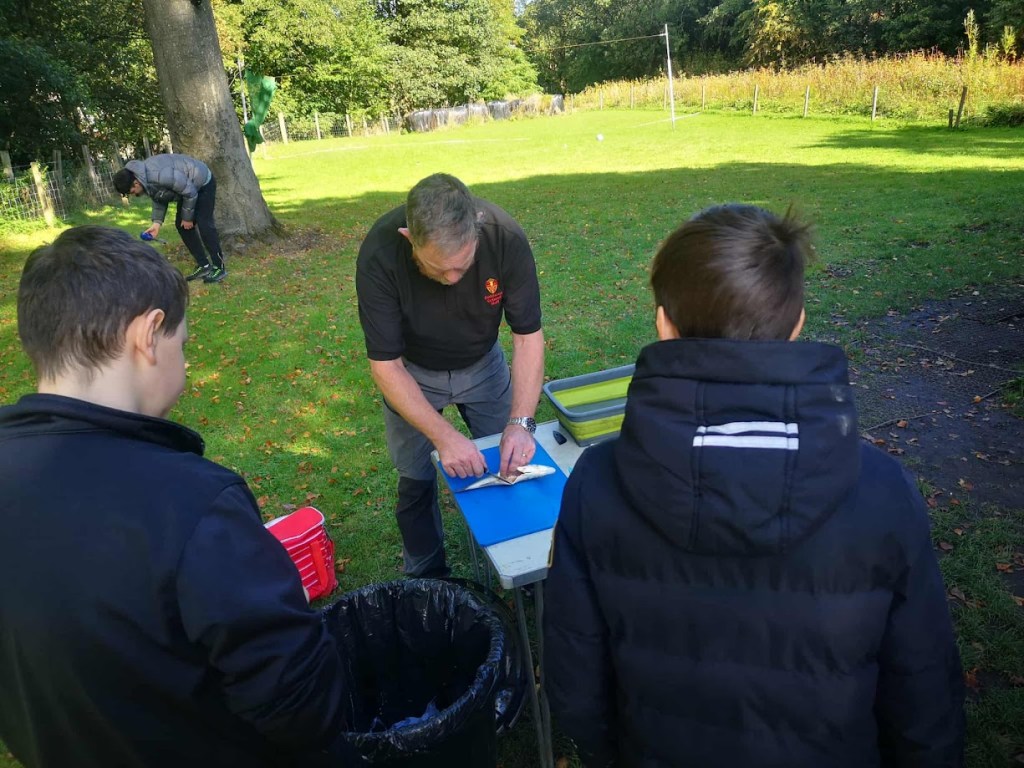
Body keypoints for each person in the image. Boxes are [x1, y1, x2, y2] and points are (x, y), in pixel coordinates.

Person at [544, 205, 965, 767]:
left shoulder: (593, 483)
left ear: (663, 323)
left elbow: (575, 690)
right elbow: (925, 690)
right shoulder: (885, 492)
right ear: (797, 324)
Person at [0, 226, 349, 767]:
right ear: (149, 334)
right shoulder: (193, 505)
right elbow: (304, 709)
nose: (184, 366)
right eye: (183, 346)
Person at [356, 173, 544, 578]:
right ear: (409, 237)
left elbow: (528, 338)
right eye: (437, 269)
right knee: (416, 478)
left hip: (484, 364)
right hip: (412, 373)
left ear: (477, 227)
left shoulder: (504, 237)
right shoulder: (379, 253)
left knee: (514, 460)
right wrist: (444, 436)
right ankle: (426, 577)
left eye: (462, 266)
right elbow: (386, 365)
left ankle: (527, 563)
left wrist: (521, 422)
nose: (452, 280)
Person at [113, 153, 227, 283]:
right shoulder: (145, 178)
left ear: (136, 182)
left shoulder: (159, 174)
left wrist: (188, 218)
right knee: (182, 226)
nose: (133, 195)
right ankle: (204, 265)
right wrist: (156, 224)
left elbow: (190, 192)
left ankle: (219, 267)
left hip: (202, 183)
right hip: (188, 189)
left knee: (204, 223)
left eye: (132, 192)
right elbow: (160, 198)